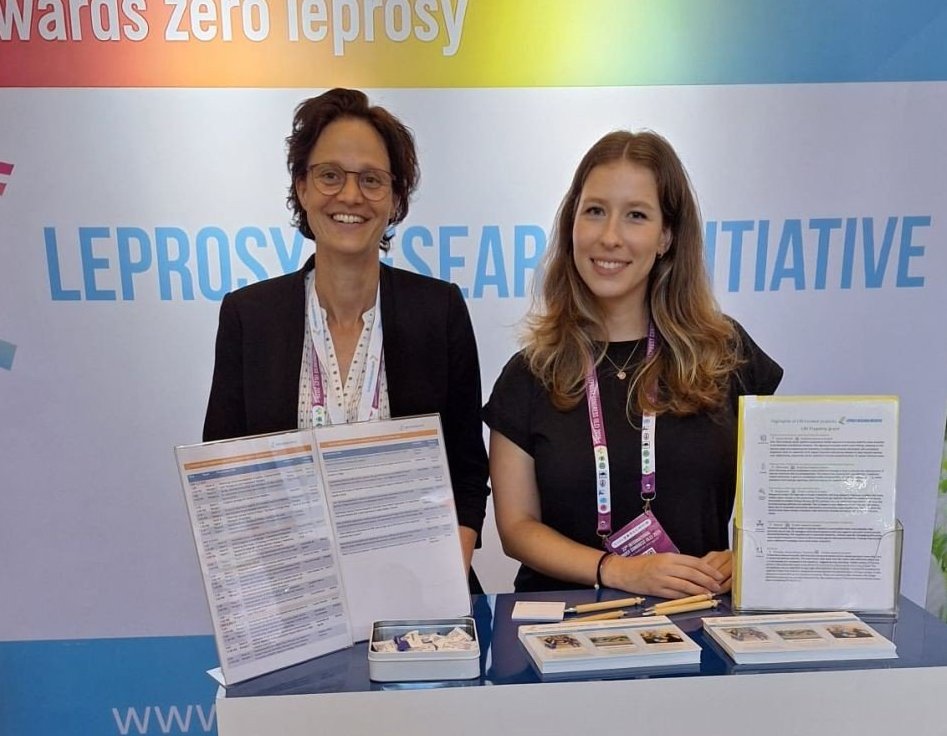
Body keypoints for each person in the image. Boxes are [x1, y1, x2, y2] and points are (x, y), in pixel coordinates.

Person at [203, 88, 490, 590]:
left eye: (371, 180)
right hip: (292, 597)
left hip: (419, 596)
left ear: (395, 198)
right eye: (330, 175)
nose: (351, 196)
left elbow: (467, 473)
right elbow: (225, 481)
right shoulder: (250, 317)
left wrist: (443, 578)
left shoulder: (438, 311)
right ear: (302, 187)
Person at [483, 130, 782, 597]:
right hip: (563, 625)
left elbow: (782, 502)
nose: (610, 237)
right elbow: (517, 527)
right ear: (572, 224)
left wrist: (747, 554)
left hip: (696, 618)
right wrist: (619, 571)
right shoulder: (530, 373)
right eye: (595, 211)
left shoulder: (725, 353)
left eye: (636, 216)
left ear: (666, 236)